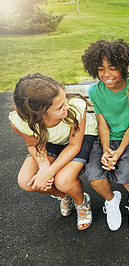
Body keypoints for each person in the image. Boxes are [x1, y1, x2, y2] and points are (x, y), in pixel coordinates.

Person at [10, 73, 98, 230]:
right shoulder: (19, 121)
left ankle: (81, 202)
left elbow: (74, 146)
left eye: (65, 100)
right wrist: (43, 167)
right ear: (39, 114)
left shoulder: (75, 106)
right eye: (60, 107)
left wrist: (49, 172)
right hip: (50, 142)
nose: (67, 106)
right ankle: (66, 197)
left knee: (63, 180)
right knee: (26, 181)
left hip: (81, 139)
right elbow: (34, 144)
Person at [82, 39, 129, 231]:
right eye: (101, 69)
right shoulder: (95, 91)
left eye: (112, 68)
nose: (106, 74)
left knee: (126, 171)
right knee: (94, 174)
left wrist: (118, 154)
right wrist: (106, 150)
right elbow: (102, 125)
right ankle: (111, 200)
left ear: (124, 68)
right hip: (107, 138)